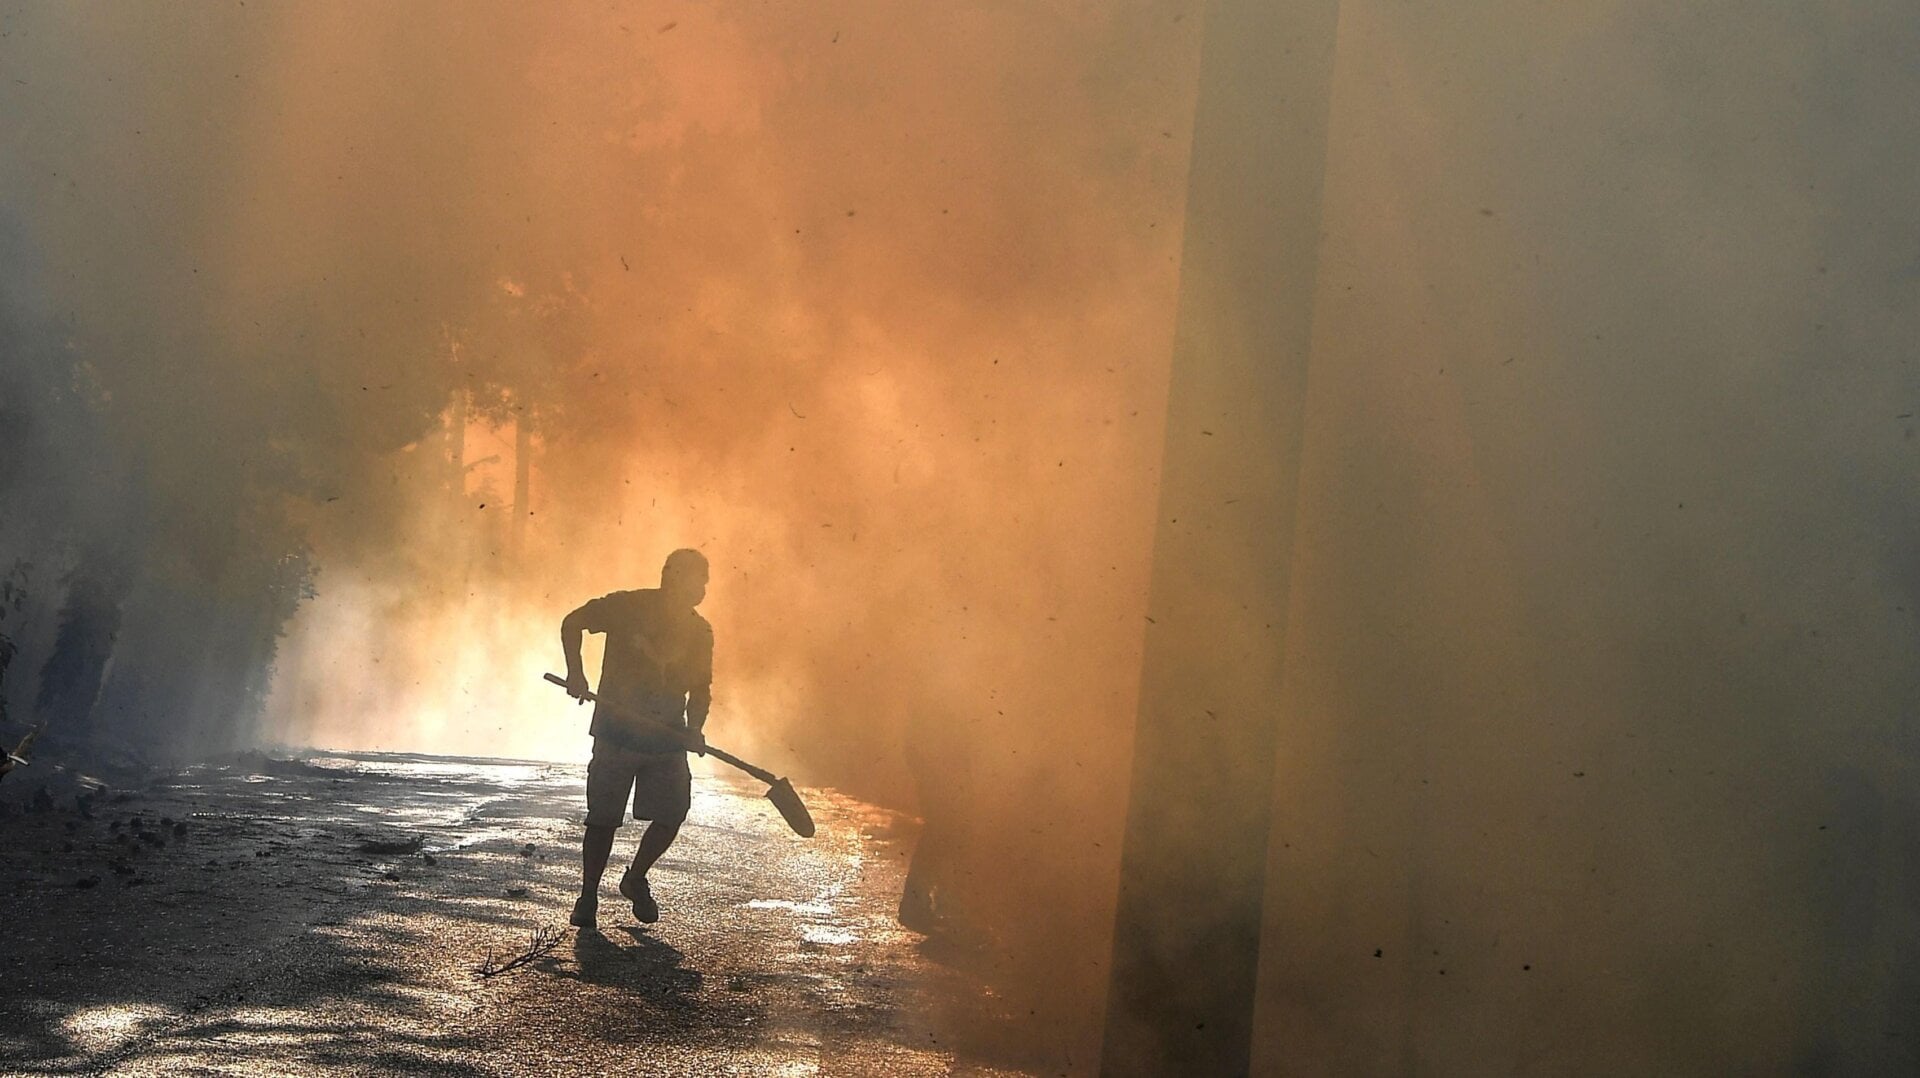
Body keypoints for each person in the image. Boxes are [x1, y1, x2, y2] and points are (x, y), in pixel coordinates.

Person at [560, 548, 712, 928]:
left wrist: (694, 729)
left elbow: (701, 688)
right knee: (603, 820)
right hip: (617, 732)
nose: (702, 587)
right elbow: (572, 622)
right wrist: (576, 673)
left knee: (673, 812)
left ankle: (635, 877)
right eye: (696, 578)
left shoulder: (699, 631)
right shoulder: (627, 607)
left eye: (704, 580)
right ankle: (588, 897)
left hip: (666, 739)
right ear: (671, 577)